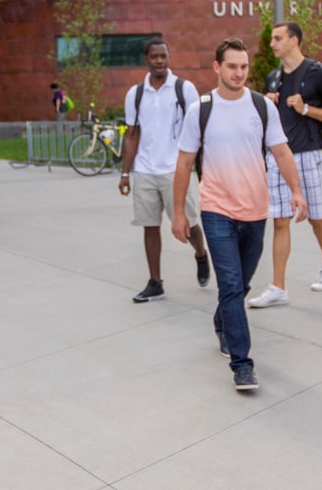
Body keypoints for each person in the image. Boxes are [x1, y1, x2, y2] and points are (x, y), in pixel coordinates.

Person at [173, 37, 307, 392]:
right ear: (217, 68)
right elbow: (185, 163)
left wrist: (297, 191)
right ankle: (242, 363)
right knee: (231, 285)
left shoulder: (262, 106)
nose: (239, 73)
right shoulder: (200, 110)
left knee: (241, 283)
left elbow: (281, 152)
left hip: (255, 210)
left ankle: (222, 322)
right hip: (216, 208)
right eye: (232, 66)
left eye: (244, 67)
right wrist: (178, 213)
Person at [249, 21, 322, 307]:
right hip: (278, 156)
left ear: (294, 40)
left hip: (307, 153)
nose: (272, 43)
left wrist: (305, 108)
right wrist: (265, 103)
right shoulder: (273, 78)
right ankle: (278, 287)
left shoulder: (317, 73)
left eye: (278, 38)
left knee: (315, 216)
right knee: (279, 220)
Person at [121, 37, 210, 303]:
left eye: (163, 56)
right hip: (145, 169)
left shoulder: (185, 89)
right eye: (154, 56)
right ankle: (155, 283)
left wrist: (202, 170)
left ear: (168, 58)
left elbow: (199, 132)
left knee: (189, 223)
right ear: (146, 59)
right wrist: (125, 173)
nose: (159, 61)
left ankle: (201, 254)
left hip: (177, 169)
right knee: (149, 225)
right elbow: (132, 135)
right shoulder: (135, 94)